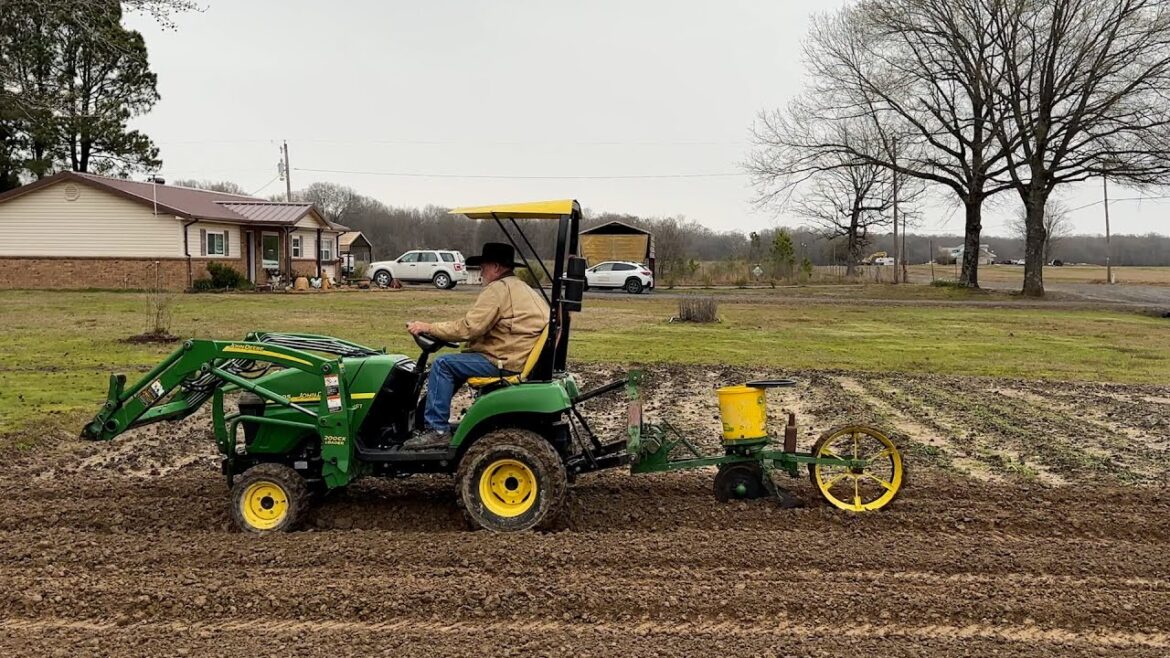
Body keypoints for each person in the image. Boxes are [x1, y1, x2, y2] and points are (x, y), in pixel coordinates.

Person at [403, 242, 549, 449]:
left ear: (497, 267)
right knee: (455, 365)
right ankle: (422, 419)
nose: (481, 272)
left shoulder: (498, 290)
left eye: (484, 266)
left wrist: (429, 327)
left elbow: (470, 328)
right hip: (516, 354)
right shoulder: (522, 288)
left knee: (443, 364)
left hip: (503, 361)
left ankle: (436, 430)